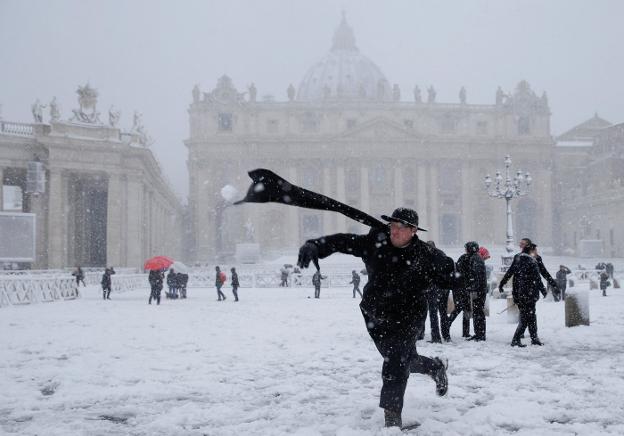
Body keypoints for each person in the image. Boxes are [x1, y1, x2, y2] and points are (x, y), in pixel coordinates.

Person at [297, 207, 451, 428]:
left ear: (413, 230)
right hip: (376, 314)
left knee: (396, 360)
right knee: (404, 359)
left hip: (409, 315)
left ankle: (392, 420)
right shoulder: (374, 244)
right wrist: (316, 245)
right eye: (392, 227)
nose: (394, 232)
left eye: (400, 228)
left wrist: (452, 276)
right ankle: (435, 367)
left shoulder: (426, 253)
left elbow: (450, 275)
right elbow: (343, 241)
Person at [499, 243, 547, 347]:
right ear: (531, 251)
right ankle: (516, 339)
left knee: (530, 317)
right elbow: (537, 279)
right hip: (530, 295)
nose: (536, 253)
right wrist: (543, 290)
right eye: (535, 251)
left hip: (519, 294)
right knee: (527, 318)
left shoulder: (518, 260)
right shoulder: (532, 262)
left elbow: (509, 273)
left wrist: (502, 283)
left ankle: (534, 338)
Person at [455, 242, 488, 341]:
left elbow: (476, 276)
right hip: (478, 290)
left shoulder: (475, 258)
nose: (465, 250)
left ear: (471, 249)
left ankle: (480, 335)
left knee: (478, 313)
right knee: (477, 313)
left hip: (478, 291)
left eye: (466, 248)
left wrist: (473, 287)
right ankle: (478, 333)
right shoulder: (475, 257)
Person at [423, 241, 451, 343]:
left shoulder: (428, 257)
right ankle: (446, 335)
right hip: (444, 288)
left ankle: (436, 337)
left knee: (433, 313)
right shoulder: (442, 254)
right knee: (443, 312)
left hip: (434, 289)